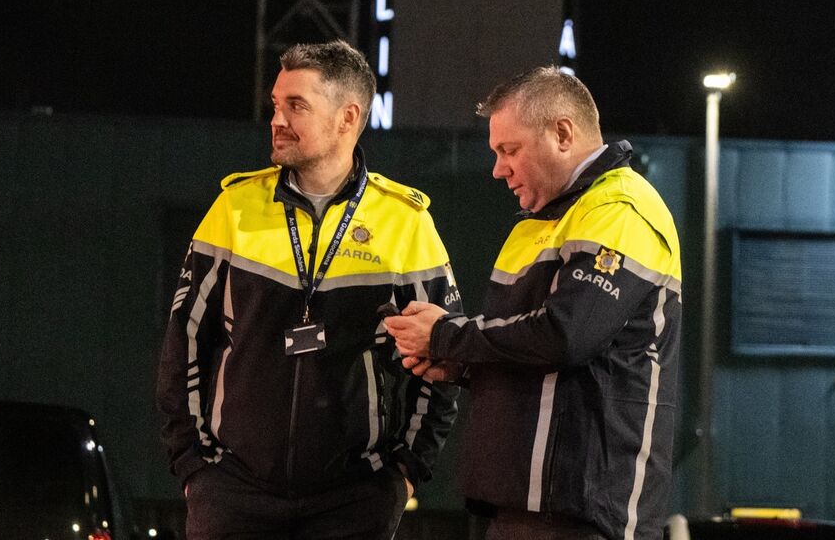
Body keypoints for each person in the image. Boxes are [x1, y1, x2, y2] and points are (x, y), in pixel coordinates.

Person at [157, 40, 461, 540]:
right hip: (233, 491)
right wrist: (193, 464)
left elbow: (442, 362)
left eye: (296, 106)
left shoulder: (406, 222)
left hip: (354, 500)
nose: (277, 119)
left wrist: (405, 474)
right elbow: (183, 341)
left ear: (347, 117)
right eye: (276, 105)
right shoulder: (234, 207)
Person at [384, 66, 682, 540]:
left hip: (585, 513)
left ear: (563, 133)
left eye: (509, 150)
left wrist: (446, 335)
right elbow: (531, 351)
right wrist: (461, 365)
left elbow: (565, 335)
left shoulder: (621, 209)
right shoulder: (540, 218)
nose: (498, 168)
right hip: (522, 506)